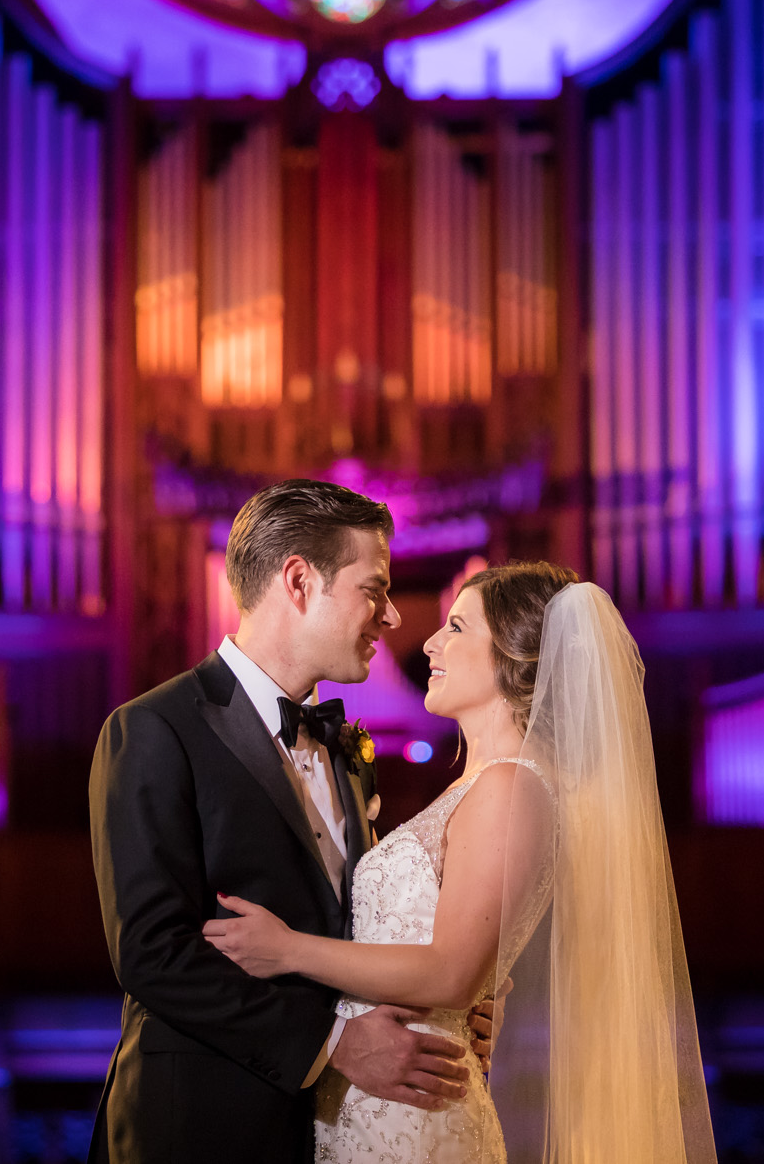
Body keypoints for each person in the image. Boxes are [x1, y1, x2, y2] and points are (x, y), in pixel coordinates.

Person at [204, 563, 717, 1164]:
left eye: (455, 628)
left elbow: (451, 973)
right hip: (383, 1097)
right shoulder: (479, 785)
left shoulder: (509, 786)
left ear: (515, 657)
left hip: (420, 1112)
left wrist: (287, 949)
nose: (427, 643)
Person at [87, 479, 502, 1163]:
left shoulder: (349, 749)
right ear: (301, 581)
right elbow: (152, 953)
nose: (393, 616)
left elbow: (355, 928)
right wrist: (333, 1044)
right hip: (193, 1128)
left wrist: (447, 1012)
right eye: (375, 588)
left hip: (328, 1133)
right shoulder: (153, 729)